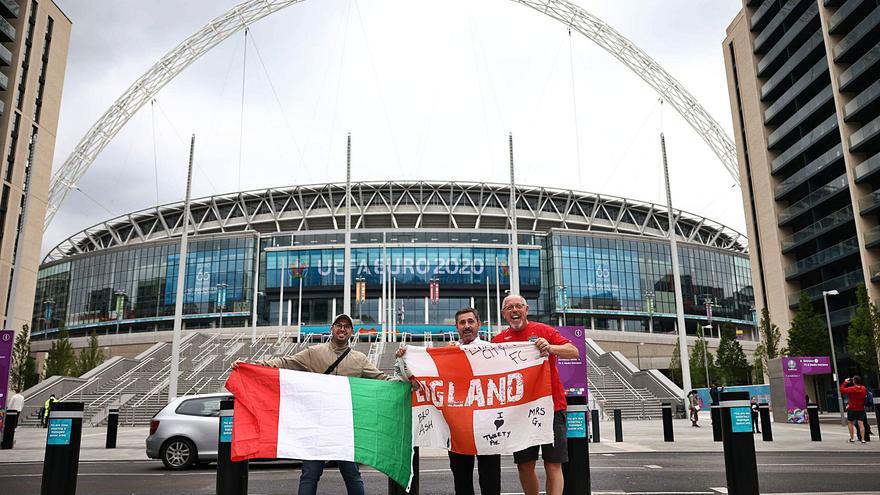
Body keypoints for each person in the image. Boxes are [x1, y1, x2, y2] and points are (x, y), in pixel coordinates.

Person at [233, 313, 395, 495]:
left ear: (351, 332)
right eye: (338, 325)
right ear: (331, 329)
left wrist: (403, 384)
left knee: (352, 474)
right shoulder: (314, 353)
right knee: (310, 474)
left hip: (344, 428)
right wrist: (252, 365)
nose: (342, 329)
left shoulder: (360, 359)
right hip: (316, 425)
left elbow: (381, 379)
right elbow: (286, 363)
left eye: (346, 326)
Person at [396, 307, 501, 495]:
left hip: (487, 426)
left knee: (491, 479)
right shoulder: (448, 353)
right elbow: (423, 377)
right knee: (461, 481)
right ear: (456, 327)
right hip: (457, 428)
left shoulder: (492, 350)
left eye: (470, 321)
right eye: (462, 323)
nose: (467, 326)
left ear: (479, 324)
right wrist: (407, 358)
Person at [491, 294, 579, 495]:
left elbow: (573, 351)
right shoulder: (498, 341)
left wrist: (550, 347)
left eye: (518, 306)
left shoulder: (544, 331)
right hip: (519, 413)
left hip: (552, 408)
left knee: (553, 464)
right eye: (509, 307)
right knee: (524, 465)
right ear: (504, 314)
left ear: (526, 309)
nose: (514, 310)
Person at [840, 376, 867, 444]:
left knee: (850, 422)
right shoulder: (863, 388)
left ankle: (852, 438)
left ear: (854, 381)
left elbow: (842, 390)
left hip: (852, 409)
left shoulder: (852, 389)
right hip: (861, 408)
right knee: (861, 423)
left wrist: (845, 382)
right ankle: (863, 439)